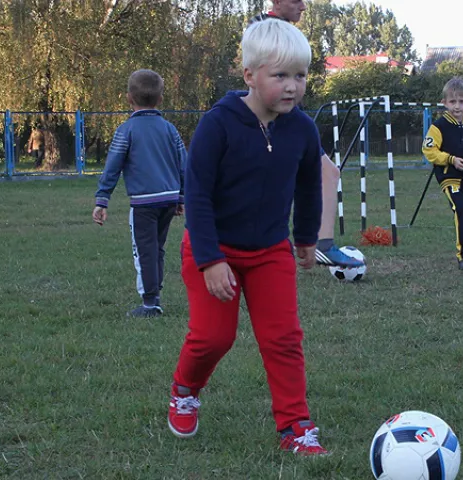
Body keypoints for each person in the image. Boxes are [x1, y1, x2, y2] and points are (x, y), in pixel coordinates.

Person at [166, 18, 329, 456]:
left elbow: (308, 186)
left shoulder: (302, 130)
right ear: (249, 76)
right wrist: (211, 259)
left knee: (283, 338)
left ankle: (296, 427)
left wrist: (306, 238)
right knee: (213, 338)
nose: (292, 87)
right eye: (280, 76)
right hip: (213, 249)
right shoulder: (218, 125)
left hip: (270, 252)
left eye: (300, 75)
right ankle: (184, 389)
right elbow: (196, 195)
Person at [252, 0, 364, 269]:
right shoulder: (263, 28)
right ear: (277, 2)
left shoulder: (283, 29)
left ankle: (321, 244)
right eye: (296, 1)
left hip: (290, 119)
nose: (303, 6)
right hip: (271, 122)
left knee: (327, 173)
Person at [92, 69, 186, 317]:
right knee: (157, 248)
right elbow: (184, 165)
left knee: (144, 250)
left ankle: (150, 303)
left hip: (144, 202)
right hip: (168, 199)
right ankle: (155, 294)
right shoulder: (170, 130)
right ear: (160, 99)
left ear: (128, 98)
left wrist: (103, 199)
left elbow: (113, 166)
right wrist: (181, 196)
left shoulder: (126, 130)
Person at [422, 76, 463, 271]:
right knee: (461, 210)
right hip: (450, 178)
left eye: (461, 101)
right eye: (452, 101)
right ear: (445, 102)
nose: (457, 106)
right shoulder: (438, 127)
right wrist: (451, 159)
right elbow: (429, 151)